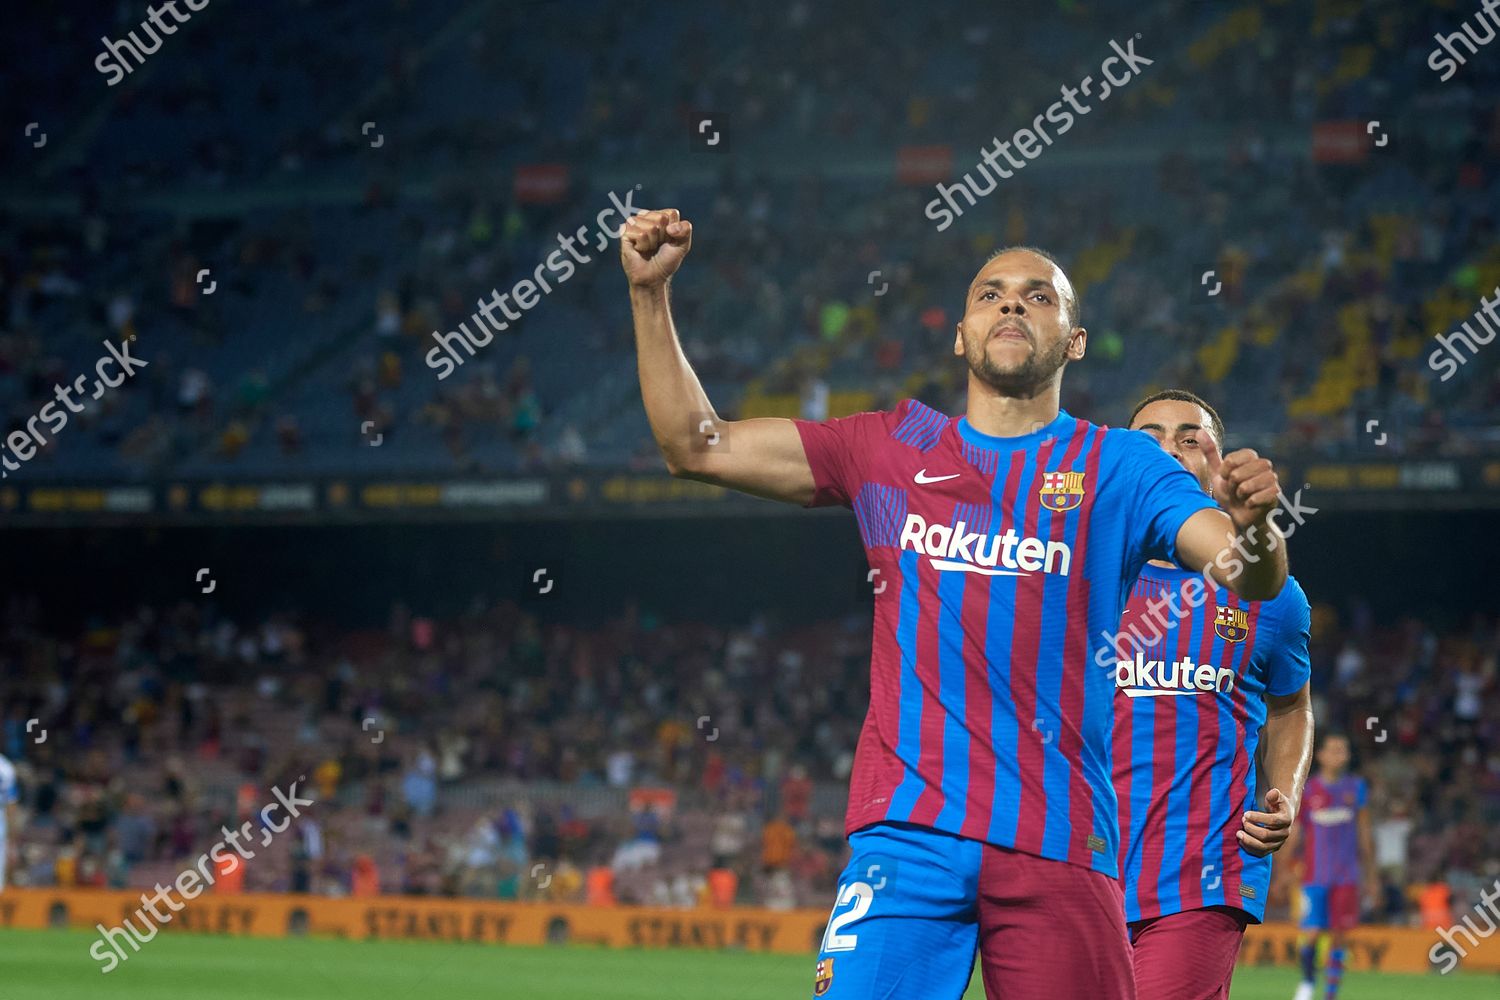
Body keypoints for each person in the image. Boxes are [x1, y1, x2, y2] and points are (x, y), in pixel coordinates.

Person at [620, 209, 1289, 998]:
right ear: (961, 335)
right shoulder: (889, 447)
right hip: (908, 838)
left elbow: (1248, 575)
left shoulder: (1122, 466)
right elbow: (695, 443)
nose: (1012, 306)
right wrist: (650, 296)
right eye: (991, 295)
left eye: (1039, 297)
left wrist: (1259, 529)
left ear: (1074, 340)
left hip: (1061, 840)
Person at [1114, 390, 1315, 999]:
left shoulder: (1273, 598)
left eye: (1188, 436)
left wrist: (1286, 794)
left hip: (1204, 872)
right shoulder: (1083, 571)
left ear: (1217, 459)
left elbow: (1291, 706)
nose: (1169, 448)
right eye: (1148, 436)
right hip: (1077, 864)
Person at [1290, 733, 1375, 1000]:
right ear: (1321, 755)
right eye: (1334, 750)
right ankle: (1307, 981)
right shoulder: (1308, 789)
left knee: (1340, 935)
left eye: (1344, 750)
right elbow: (1296, 832)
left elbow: (1364, 832)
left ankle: (1330, 994)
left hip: (1347, 875)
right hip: (1315, 874)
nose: (1340, 755)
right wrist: (1283, 869)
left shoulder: (1356, 788)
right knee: (1312, 932)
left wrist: (1372, 875)